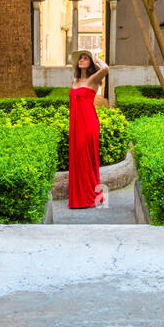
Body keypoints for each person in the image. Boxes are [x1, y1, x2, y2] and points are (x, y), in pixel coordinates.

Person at [68, 50, 109, 208]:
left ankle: (90, 197)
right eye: (81, 58)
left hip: (88, 124)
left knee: (84, 157)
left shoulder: (94, 79)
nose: (82, 60)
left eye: (86, 58)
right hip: (76, 124)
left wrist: (97, 59)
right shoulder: (75, 80)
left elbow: (105, 69)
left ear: (91, 63)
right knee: (77, 159)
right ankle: (79, 197)